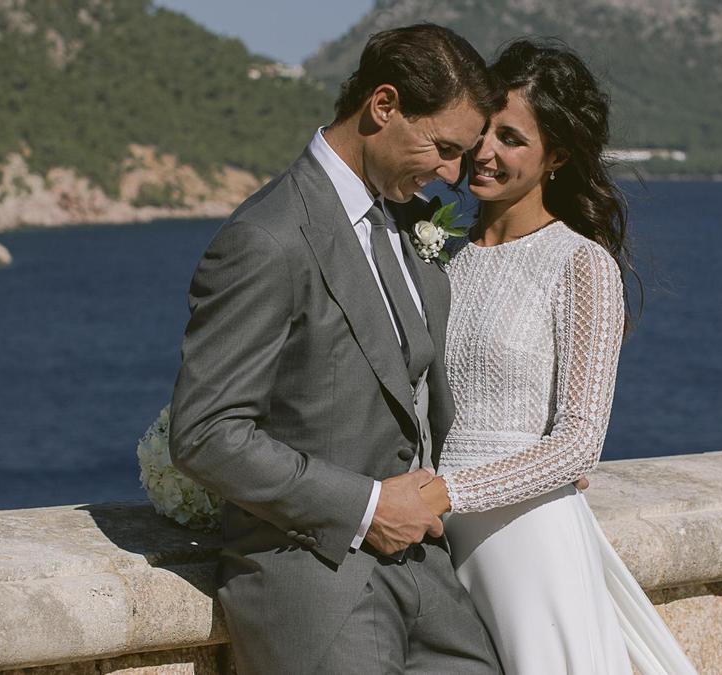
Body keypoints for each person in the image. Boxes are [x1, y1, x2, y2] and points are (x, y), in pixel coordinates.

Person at [168, 24, 505, 673]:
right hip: (316, 586)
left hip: (429, 581)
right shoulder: (268, 239)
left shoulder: (408, 226)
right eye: (442, 147)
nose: (453, 174)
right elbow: (206, 433)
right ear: (383, 106)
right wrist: (370, 506)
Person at [419, 39, 699, 674]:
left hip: (525, 541)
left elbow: (578, 446)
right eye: (481, 131)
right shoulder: (439, 252)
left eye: (512, 139)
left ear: (559, 156)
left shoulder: (580, 265)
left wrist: (447, 494)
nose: (485, 153)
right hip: (436, 540)